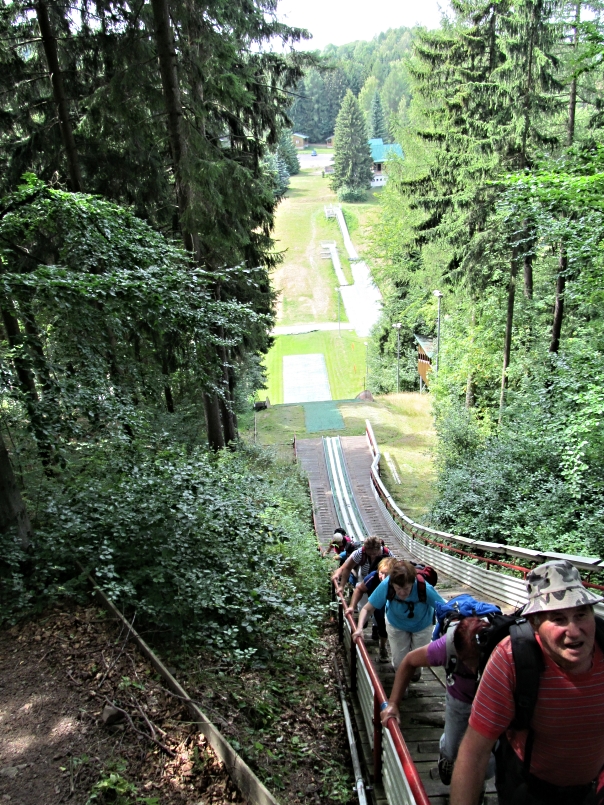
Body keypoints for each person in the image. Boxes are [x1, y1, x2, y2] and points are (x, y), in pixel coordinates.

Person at [449, 559, 604, 805]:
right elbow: (474, 754)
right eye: (558, 618)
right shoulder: (512, 658)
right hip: (530, 791)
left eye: (581, 614)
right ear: (535, 624)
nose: (574, 631)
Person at [381, 617, 496, 789]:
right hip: (460, 699)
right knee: (452, 747)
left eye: (476, 660)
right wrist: (393, 703)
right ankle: (446, 757)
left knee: (489, 760)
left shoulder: (501, 647)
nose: (473, 668)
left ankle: (476, 785)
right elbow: (409, 661)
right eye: (467, 660)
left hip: (492, 702)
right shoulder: (446, 647)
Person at [353, 560, 445, 675]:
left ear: (413, 582)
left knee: (417, 665)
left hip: (422, 625)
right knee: (398, 663)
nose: (401, 593)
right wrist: (360, 628)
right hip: (396, 624)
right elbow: (367, 608)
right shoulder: (387, 584)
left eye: (406, 589)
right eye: (398, 589)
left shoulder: (424, 587)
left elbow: (444, 608)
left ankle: (415, 674)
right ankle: (402, 686)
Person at [345, 556, 398, 662]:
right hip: (377, 605)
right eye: (381, 573)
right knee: (381, 625)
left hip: (393, 609)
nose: (383, 577)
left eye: (387, 574)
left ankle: (385, 648)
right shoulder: (373, 577)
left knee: (386, 629)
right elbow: (359, 589)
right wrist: (352, 606)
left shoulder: (399, 580)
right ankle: (383, 647)